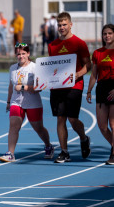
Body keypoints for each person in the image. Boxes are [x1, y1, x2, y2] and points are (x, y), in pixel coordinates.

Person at [0, 43, 54, 162]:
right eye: (18, 54)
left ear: (28, 54)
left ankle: (48, 145)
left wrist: (23, 87)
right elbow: (11, 86)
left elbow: (39, 88)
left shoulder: (35, 68)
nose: (21, 56)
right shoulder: (13, 68)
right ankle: (10, 153)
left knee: (38, 128)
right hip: (16, 102)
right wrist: (8, 101)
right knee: (13, 126)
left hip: (32, 102)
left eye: (23, 53)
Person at [48, 12, 91, 163]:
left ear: (71, 25)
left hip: (75, 85)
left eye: (64, 24)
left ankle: (84, 138)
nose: (61, 27)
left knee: (73, 119)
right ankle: (64, 152)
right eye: (59, 25)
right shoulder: (52, 45)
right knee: (60, 119)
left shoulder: (79, 43)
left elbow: (88, 64)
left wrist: (77, 74)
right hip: (57, 87)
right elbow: (51, 67)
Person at [86, 24, 114, 165]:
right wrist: (89, 90)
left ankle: (113, 154)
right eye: (105, 34)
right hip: (102, 88)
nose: (107, 36)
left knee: (113, 124)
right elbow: (94, 75)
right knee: (102, 126)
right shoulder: (98, 53)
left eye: (110, 33)